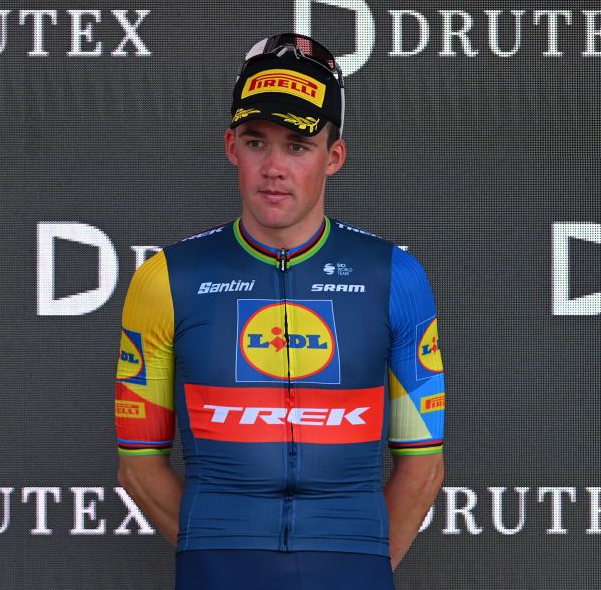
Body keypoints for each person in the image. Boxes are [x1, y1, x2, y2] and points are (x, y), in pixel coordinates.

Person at [115, 33, 445, 589]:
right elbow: (138, 463)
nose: (274, 166)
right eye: (256, 142)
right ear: (230, 147)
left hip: (351, 566)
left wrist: (353, 561)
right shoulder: (166, 279)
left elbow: (423, 462)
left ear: (333, 156)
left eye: (297, 145)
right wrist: (222, 551)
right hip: (218, 568)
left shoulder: (395, 276)